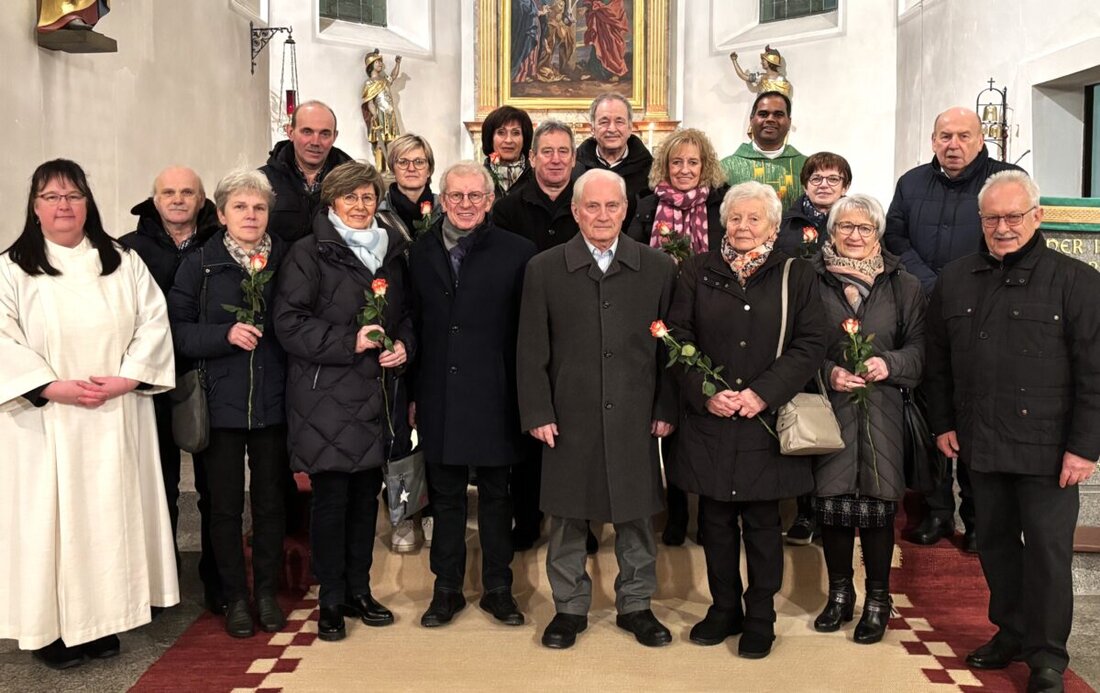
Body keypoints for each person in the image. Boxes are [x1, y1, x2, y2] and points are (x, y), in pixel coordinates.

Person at [925, 171, 1100, 693]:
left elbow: (1095, 371)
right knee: (996, 546)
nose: (1003, 228)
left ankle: (1047, 657)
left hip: (1051, 453)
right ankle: (1011, 632)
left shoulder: (1077, 281)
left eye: (1013, 217)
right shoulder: (955, 279)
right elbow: (938, 362)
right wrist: (943, 423)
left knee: (1047, 553)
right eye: (992, 218)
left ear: (1037, 216)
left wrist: (1084, 448)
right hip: (980, 441)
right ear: (980, 221)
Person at [0, 159, 178, 669]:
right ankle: (50, 629)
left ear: (88, 203)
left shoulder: (120, 261)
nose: (63, 206)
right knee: (54, 523)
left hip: (114, 412)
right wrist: (49, 386)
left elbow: (152, 322)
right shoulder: (12, 269)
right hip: (46, 420)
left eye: (73, 196)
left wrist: (128, 377)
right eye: (52, 197)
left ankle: (103, 620)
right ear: (34, 207)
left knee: (109, 518)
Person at [518, 168, 678, 650]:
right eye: (592, 206)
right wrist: (538, 411)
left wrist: (665, 405)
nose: (603, 215)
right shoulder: (544, 269)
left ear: (626, 210)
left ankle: (636, 605)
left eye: (612, 206)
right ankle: (568, 607)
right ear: (575, 211)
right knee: (567, 515)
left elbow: (672, 348)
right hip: (569, 414)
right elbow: (530, 350)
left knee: (635, 514)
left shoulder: (657, 268)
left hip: (634, 412)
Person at [666, 181, 826, 659]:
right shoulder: (697, 270)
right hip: (711, 419)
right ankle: (723, 609)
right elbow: (675, 336)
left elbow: (810, 343)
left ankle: (760, 617)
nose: (743, 227)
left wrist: (762, 394)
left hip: (764, 420)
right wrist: (706, 392)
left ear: (774, 228)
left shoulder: (796, 274)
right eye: (735, 217)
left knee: (761, 524)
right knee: (714, 522)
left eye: (754, 219)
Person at [274, 161, 413, 642]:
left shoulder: (392, 252)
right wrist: (349, 341)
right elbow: (289, 323)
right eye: (350, 197)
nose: (360, 206)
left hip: (378, 394)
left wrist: (402, 345)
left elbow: (407, 314)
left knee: (363, 501)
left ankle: (360, 589)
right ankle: (330, 599)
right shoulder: (308, 253)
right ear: (331, 201)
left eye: (368, 197)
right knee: (332, 501)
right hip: (326, 396)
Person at [883, 106, 1024, 552]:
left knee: (977, 415)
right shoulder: (911, 184)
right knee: (932, 412)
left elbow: (1008, 239)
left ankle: (979, 518)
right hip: (926, 312)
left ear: (981, 140)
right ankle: (937, 511)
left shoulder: (1004, 180)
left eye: (964, 135)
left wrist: (960, 284)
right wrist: (934, 284)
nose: (953, 144)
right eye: (945, 136)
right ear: (932, 140)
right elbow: (896, 241)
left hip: (987, 313)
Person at [408, 161, 537, 629]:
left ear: (489, 200)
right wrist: (411, 394)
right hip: (439, 390)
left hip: (497, 392)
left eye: (475, 197)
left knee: (499, 496)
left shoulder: (519, 252)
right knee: (445, 498)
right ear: (443, 200)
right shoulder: (419, 252)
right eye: (456, 197)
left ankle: (498, 589)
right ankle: (446, 590)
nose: (466, 205)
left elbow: (530, 331)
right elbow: (413, 323)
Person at [168, 170, 289, 639]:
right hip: (218, 404)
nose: (251, 215)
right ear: (220, 214)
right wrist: (223, 335)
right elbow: (174, 330)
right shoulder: (201, 264)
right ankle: (235, 596)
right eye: (240, 207)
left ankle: (266, 594)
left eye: (258, 207)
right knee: (222, 507)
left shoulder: (286, 259)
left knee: (270, 504)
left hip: (274, 402)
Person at [810, 194, 925, 645]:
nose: (855, 236)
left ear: (878, 234)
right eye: (846, 228)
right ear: (831, 232)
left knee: (877, 510)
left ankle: (878, 600)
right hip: (831, 410)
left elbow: (921, 348)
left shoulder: (905, 285)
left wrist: (889, 365)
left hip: (884, 411)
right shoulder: (811, 280)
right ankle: (839, 595)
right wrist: (828, 371)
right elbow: (797, 346)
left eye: (865, 229)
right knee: (833, 507)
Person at [120, 165, 224, 613]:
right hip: (149, 382)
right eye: (168, 192)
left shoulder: (222, 242)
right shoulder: (127, 249)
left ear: (202, 200)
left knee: (213, 487)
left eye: (188, 192)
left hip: (208, 376)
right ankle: (158, 583)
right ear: (154, 198)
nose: (178, 199)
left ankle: (217, 579)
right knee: (156, 483)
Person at [625, 127, 729, 547]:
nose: (684, 170)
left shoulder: (722, 208)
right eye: (677, 162)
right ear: (664, 166)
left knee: (702, 420)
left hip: (708, 325)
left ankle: (705, 511)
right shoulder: (646, 208)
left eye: (693, 162)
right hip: (655, 326)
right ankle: (676, 511)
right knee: (665, 415)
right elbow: (629, 258)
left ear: (706, 167)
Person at [492, 119, 580, 551]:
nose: (556, 159)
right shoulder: (508, 208)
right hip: (522, 327)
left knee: (578, 435)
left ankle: (580, 525)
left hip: (578, 331)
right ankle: (525, 520)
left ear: (574, 158)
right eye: (547, 151)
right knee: (529, 430)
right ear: (532, 157)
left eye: (564, 151)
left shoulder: (588, 202)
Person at [774, 151, 853, 546]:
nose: (824, 185)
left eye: (833, 179)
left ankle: (831, 510)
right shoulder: (786, 226)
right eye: (817, 178)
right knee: (807, 421)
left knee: (837, 425)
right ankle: (804, 512)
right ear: (804, 183)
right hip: (801, 333)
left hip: (843, 329)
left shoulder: (854, 223)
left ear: (845, 186)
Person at [261, 100, 353, 244]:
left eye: (325, 134)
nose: (315, 142)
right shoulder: (262, 182)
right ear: (290, 132)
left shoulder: (353, 182)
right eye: (307, 132)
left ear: (334, 137)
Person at [575, 92, 653, 229]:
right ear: (592, 128)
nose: (612, 129)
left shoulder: (650, 170)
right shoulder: (574, 167)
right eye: (604, 122)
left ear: (630, 128)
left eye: (619, 121)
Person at [719, 91, 806, 211]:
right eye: (763, 114)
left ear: (789, 122)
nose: (770, 119)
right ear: (751, 120)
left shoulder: (807, 167)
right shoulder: (725, 169)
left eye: (778, 114)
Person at [377, 133, 441, 245]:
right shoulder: (377, 213)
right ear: (393, 169)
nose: (411, 168)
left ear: (429, 170)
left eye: (419, 162)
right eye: (403, 162)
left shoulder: (444, 210)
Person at [361, 50, 403, 174]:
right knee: (380, 142)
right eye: (378, 62)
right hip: (379, 115)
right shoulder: (369, 83)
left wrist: (397, 64)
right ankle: (380, 169)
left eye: (381, 62)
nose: (380, 64)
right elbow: (370, 103)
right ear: (371, 65)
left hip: (390, 115)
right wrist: (375, 116)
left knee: (391, 142)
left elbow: (393, 76)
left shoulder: (384, 80)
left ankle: (391, 168)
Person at [481, 105, 535, 198]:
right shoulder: (478, 177)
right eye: (501, 132)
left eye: (516, 133)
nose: (508, 140)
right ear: (490, 138)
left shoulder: (538, 178)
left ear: (524, 139)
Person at [579, 0, 629, 81]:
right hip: (600, 22)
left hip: (611, 23)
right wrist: (587, 7)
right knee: (598, 45)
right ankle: (594, 73)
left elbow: (615, 9)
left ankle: (614, 73)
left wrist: (597, 6)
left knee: (613, 46)